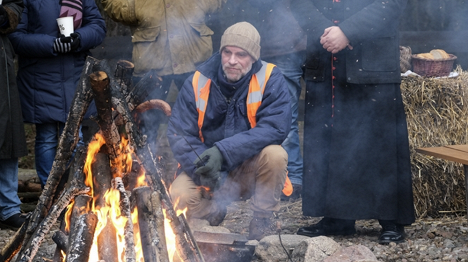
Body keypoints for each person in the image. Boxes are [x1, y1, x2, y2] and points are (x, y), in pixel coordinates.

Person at [290, 0, 415, 244]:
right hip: (325, 57)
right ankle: (337, 216)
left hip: (372, 58)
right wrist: (325, 32)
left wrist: (348, 31)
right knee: (330, 136)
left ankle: (391, 219)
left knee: (382, 140)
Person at [167, 22, 292, 241]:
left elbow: (275, 127)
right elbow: (180, 133)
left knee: (275, 155)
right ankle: (212, 212)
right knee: (178, 195)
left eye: (241, 54)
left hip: (249, 169)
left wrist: (223, 152)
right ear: (221, 52)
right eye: (227, 52)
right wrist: (204, 167)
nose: (232, 61)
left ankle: (263, 221)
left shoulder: (270, 77)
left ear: (253, 57)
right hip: (207, 170)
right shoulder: (197, 81)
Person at [207, 0, 306, 200]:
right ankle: (236, 178)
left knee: (285, 118)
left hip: (284, 46)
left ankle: (293, 179)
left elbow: (277, 126)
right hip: (254, 44)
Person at [100, 0, 227, 150]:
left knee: (207, 119)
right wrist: (134, 7)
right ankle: (145, 168)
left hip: (193, 56)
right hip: (151, 60)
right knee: (144, 125)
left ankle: (212, 163)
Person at [9, 0, 106, 187]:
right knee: (46, 139)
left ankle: (74, 191)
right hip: (39, 76)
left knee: (75, 139)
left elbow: (98, 26)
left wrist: (79, 38)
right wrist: (51, 44)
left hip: (74, 75)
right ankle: (50, 194)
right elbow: (16, 37)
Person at [0, 0, 26, 230]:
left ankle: (8, 208)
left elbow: (16, 3)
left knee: (7, 135)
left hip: (1, 60)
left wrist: (7, 15)